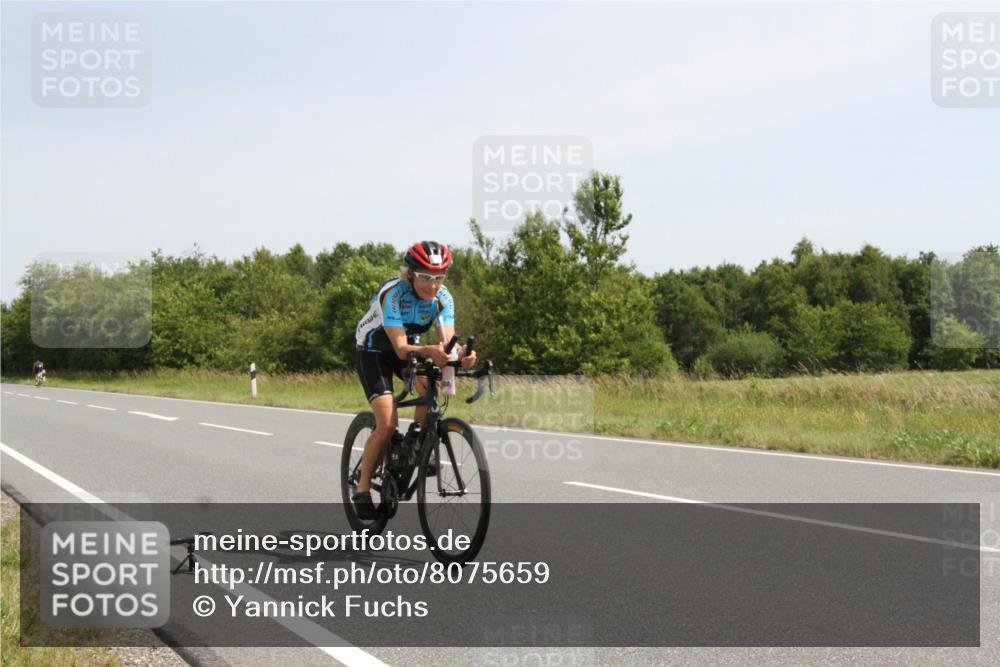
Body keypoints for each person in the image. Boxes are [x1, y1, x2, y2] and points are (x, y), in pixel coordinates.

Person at [352, 241, 477, 519]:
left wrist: (463, 355)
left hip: (412, 347)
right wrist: (431, 352)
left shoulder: (443, 297)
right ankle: (361, 488)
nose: (432, 285)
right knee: (387, 424)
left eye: (438, 277)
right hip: (375, 350)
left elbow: (447, 343)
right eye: (425, 277)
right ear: (410, 273)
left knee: (431, 377)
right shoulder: (394, 294)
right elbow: (399, 349)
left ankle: (417, 440)